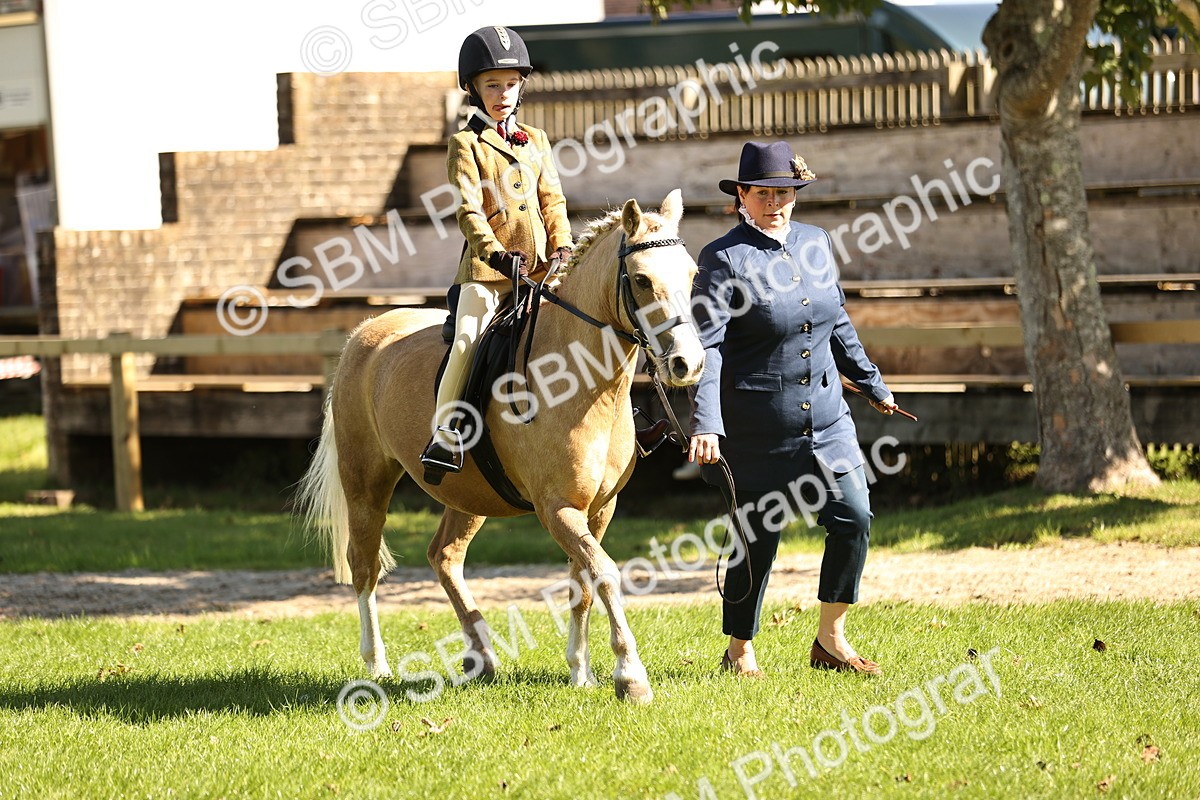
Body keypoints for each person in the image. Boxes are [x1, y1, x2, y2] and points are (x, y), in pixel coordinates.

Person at [687, 141, 898, 677]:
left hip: (828, 420)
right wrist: (707, 422)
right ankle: (739, 651)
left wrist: (870, 381)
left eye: (784, 192)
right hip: (756, 430)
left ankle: (830, 640)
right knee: (756, 541)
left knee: (854, 517)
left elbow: (836, 320)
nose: (774, 202)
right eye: (762, 193)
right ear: (741, 196)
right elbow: (708, 346)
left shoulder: (816, 242)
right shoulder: (722, 258)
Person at [421, 26, 574, 479]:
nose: (503, 94)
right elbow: (469, 211)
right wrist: (495, 255)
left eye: (510, 84)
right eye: (492, 85)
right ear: (473, 89)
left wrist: (563, 244)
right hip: (489, 275)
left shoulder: (537, 140)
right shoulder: (465, 144)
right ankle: (446, 435)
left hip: (543, 270)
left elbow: (553, 201)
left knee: (590, 324)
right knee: (467, 341)